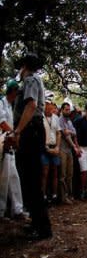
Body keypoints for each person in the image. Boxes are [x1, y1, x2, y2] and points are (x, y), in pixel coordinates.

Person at [12, 53, 52, 239]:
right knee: (29, 179)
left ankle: (42, 227)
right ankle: (37, 223)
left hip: (31, 130)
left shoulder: (30, 80)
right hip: (32, 130)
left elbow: (31, 106)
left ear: (25, 67)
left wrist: (18, 131)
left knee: (32, 179)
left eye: (20, 67)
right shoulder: (32, 80)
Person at [0, 79, 24, 218]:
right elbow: (2, 122)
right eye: (16, 92)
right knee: (3, 179)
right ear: (12, 91)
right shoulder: (1, 103)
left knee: (13, 177)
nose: (17, 95)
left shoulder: (10, 105)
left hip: (9, 145)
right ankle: (1, 212)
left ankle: (17, 209)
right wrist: (14, 134)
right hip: (3, 143)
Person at [59, 102, 80, 204]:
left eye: (69, 110)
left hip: (69, 150)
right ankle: (63, 197)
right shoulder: (60, 120)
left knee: (70, 174)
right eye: (66, 109)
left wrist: (69, 131)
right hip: (62, 149)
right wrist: (74, 147)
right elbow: (65, 135)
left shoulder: (69, 121)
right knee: (62, 174)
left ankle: (69, 195)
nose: (68, 111)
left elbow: (74, 133)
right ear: (62, 110)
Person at [41, 100, 62, 204]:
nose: (49, 108)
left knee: (55, 171)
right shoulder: (40, 117)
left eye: (50, 106)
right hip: (44, 148)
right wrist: (46, 148)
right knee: (44, 172)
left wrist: (57, 147)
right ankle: (43, 196)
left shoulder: (56, 118)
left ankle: (54, 195)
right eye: (46, 106)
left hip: (55, 146)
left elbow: (58, 133)